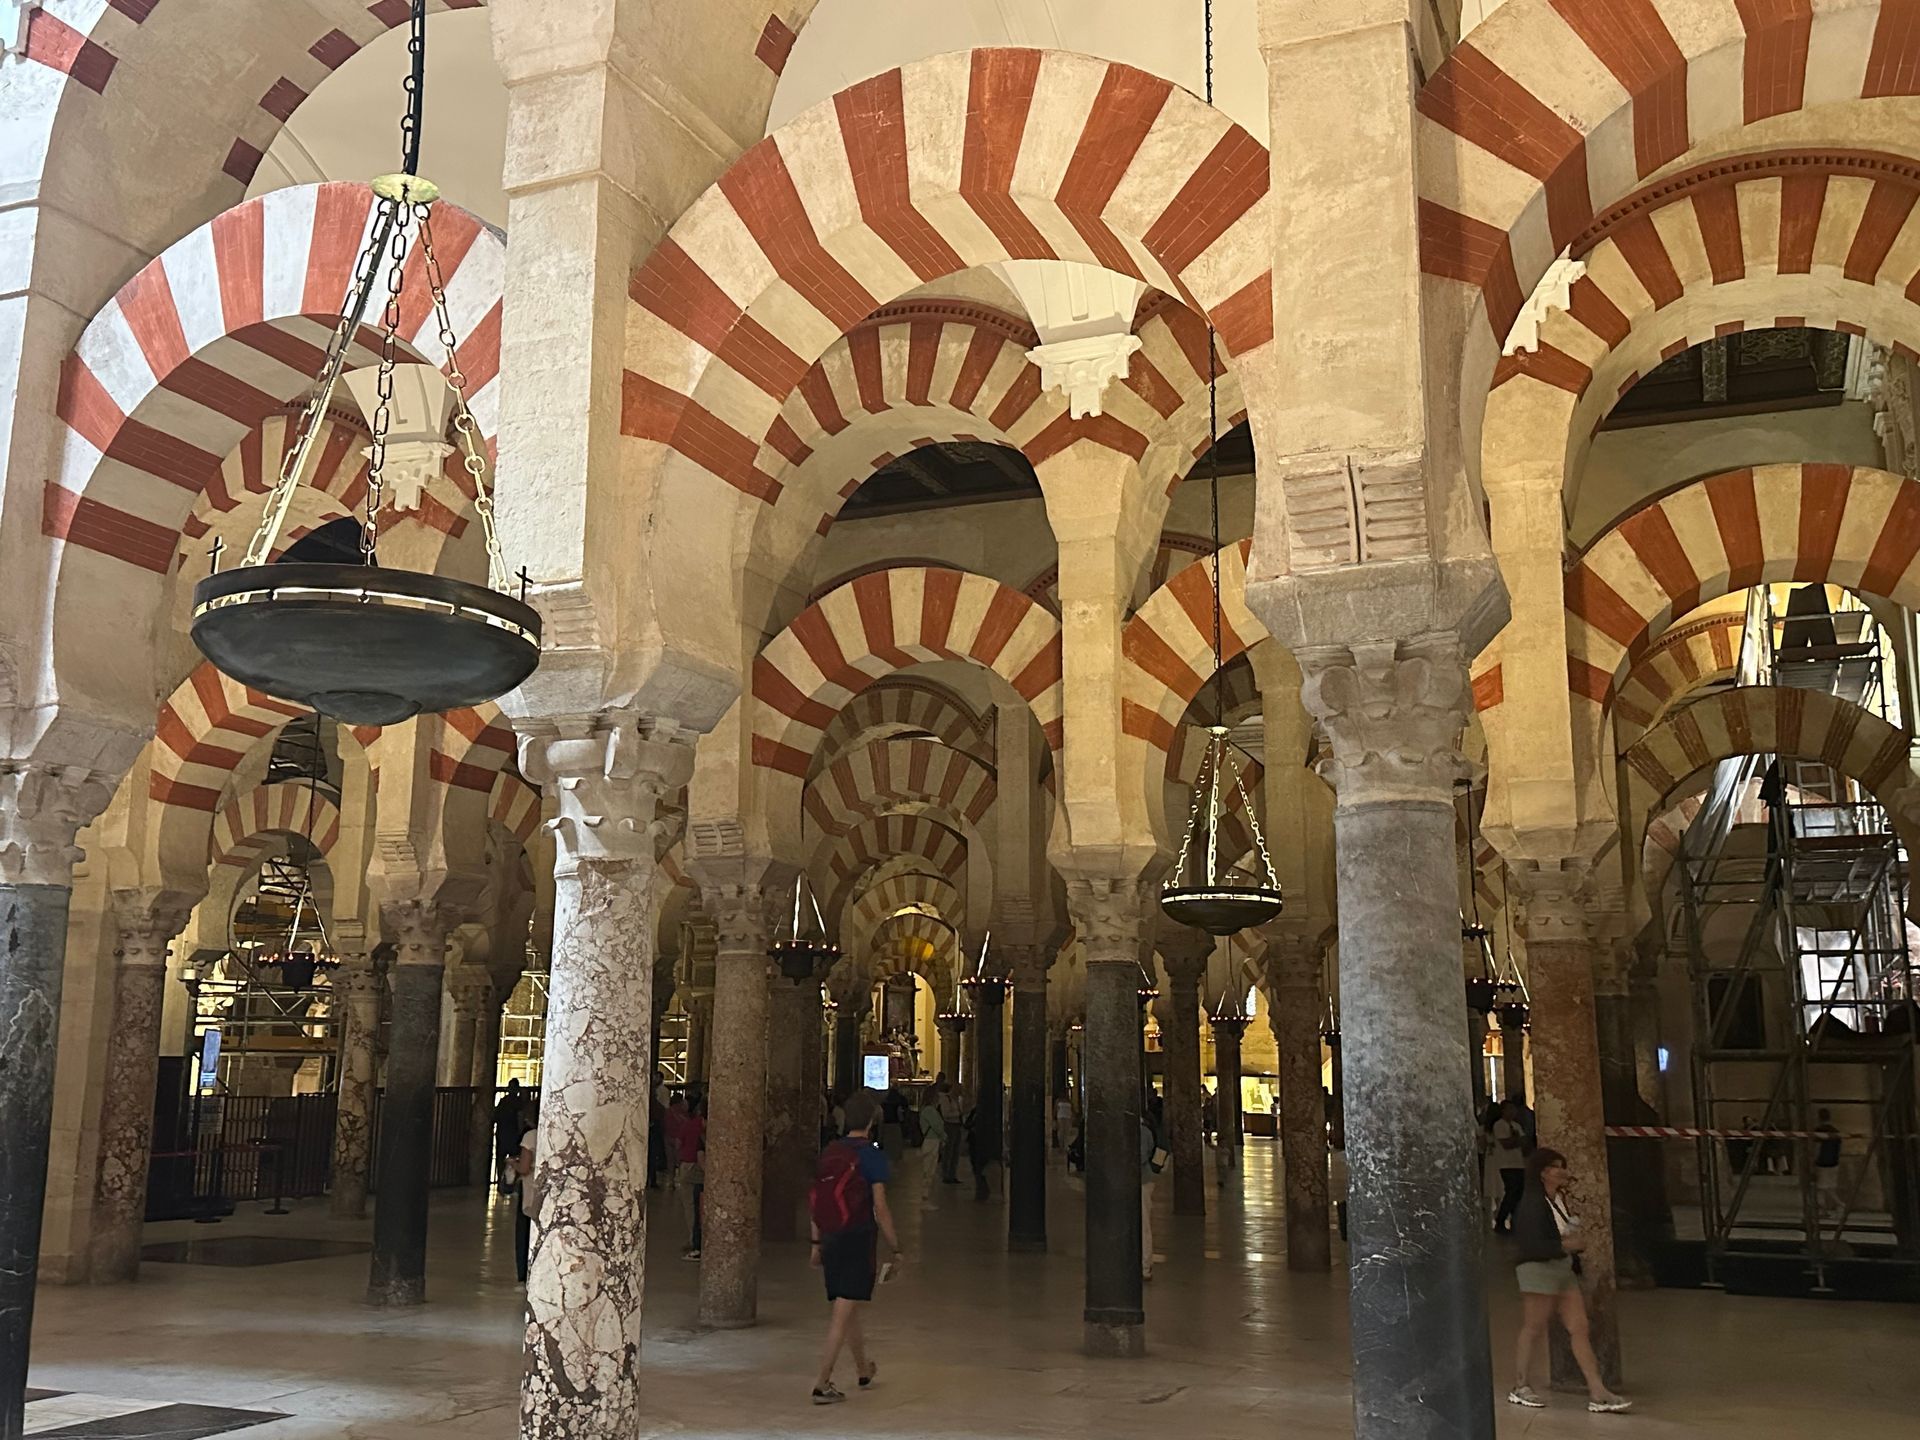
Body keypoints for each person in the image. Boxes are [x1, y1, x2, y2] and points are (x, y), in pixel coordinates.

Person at [1507, 1148, 1631, 1414]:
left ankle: (1598, 1391)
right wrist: (1567, 1245)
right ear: (1543, 1172)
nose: (1563, 1171)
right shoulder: (1531, 1203)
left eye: (1563, 1165)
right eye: (1556, 1166)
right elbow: (1533, 1244)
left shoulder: (1558, 1200)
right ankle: (1520, 1386)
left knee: (1579, 1327)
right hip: (1538, 1269)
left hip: (1562, 1269)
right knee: (1533, 1326)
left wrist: (1569, 1247)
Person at [809, 1090, 902, 1405]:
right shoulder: (871, 1155)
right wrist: (896, 1246)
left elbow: (816, 1200)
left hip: (832, 1236)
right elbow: (880, 1206)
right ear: (873, 1121)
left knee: (846, 1306)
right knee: (842, 1312)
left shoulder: (830, 1151)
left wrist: (816, 1243)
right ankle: (822, 1383)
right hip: (857, 1237)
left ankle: (864, 1368)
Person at [1487, 1099, 1526, 1234]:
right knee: (1511, 1192)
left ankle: (1516, 1221)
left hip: (1518, 1163)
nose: (1513, 1112)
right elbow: (1507, 1144)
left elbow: (1523, 1142)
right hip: (1506, 1164)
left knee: (1518, 1193)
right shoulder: (1499, 1125)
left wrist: (1517, 1140)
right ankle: (1500, 1220)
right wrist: (1516, 1140)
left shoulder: (1516, 1125)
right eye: (1510, 1109)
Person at [512, 1103, 540, 1283]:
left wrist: (511, 1163)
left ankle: (524, 1271)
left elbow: (524, 1168)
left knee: (524, 1233)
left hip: (530, 1189)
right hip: (548, 1190)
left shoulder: (531, 1136)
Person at [678, 1097, 707, 1259]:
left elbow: (679, 1142)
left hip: (690, 1165)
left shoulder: (691, 1125)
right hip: (697, 1166)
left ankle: (695, 1241)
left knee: (691, 1206)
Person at [1140, 1104, 1162, 1281]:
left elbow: (1139, 1156)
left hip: (1141, 1181)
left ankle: (1145, 1265)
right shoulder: (1145, 1130)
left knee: (1143, 1222)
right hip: (1143, 1180)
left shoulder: (1141, 1131)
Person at [492, 1079, 524, 1194]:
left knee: (500, 1160)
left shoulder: (503, 1101)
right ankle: (511, 1185)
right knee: (514, 1160)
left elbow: (495, 1117)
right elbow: (520, 1119)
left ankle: (500, 1183)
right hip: (513, 1135)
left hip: (502, 1134)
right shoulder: (519, 1102)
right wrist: (521, 1134)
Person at [1813, 1109, 1844, 1221]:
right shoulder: (1836, 1131)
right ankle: (1823, 1211)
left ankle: (1839, 1204)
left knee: (1822, 1188)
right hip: (1834, 1162)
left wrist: (1814, 1159)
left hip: (1823, 1162)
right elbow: (1839, 1149)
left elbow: (1817, 1147)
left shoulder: (1819, 1130)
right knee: (1829, 1187)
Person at [934, 1079, 964, 1184]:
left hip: (957, 1126)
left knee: (955, 1151)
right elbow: (946, 1114)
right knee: (948, 1150)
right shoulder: (945, 1099)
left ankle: (952, 1174)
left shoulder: (956, 1100)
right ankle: (946, 1174)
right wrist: (957, 1114)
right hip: (949, 1126)